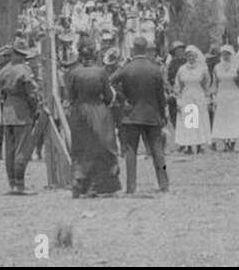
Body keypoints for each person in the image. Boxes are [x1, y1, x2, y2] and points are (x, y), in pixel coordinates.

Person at [109, 36, 170, 194]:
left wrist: (122, 97)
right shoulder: (154, 68)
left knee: (130, 152)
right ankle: (163, 184)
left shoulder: (127, 68)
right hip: (152, 114)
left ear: (133, 49)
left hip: (131, 115)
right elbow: (160, 96)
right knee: (158, 151)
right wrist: (162, 115)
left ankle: (131, 187)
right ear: (145, 49)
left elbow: (110, 82)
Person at [64, 41, 122, 197]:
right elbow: (109, 96)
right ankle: (100, 185)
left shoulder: (74, 73)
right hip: (98, 111)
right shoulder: (101, 72)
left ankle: (79, 184)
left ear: (80, 56)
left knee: (81, 148)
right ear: (94, 55)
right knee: (104, 147)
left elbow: (70, 96)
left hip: (80, 111)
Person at [0, 39, 40, 194]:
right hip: (21, 110)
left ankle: (12, 183)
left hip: (7, 111)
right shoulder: (25, 70)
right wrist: (35, 108)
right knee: (21, 149)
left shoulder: (4, 70)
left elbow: (1, 91)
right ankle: (20, 184)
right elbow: (32, 92)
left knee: (9, 150)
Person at [173, 46, 212, 154]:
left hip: (198, 95)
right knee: (189, 121)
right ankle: (189, 145)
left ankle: (200, 145)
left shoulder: (202, 69)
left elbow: (206, 84)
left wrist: (207, 97)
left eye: (192, 55)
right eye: (188, 56)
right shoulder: (182, 69)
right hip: (187, 96)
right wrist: (179, 100)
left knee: (199, 120)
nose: (191, 58)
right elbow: (178, 85)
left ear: (196, 56)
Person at [210, 44, 239, 150]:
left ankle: (233, 141)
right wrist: (213, 96)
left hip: (234, 93)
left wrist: (238, 79)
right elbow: (215, 83)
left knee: (233, 118)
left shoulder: (237, 66)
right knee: (223, 118)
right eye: (223, 54)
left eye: (228, 54)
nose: (225, 56)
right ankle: (225, 141)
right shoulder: (217, 67)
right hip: (222, 94)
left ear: (231, 54)